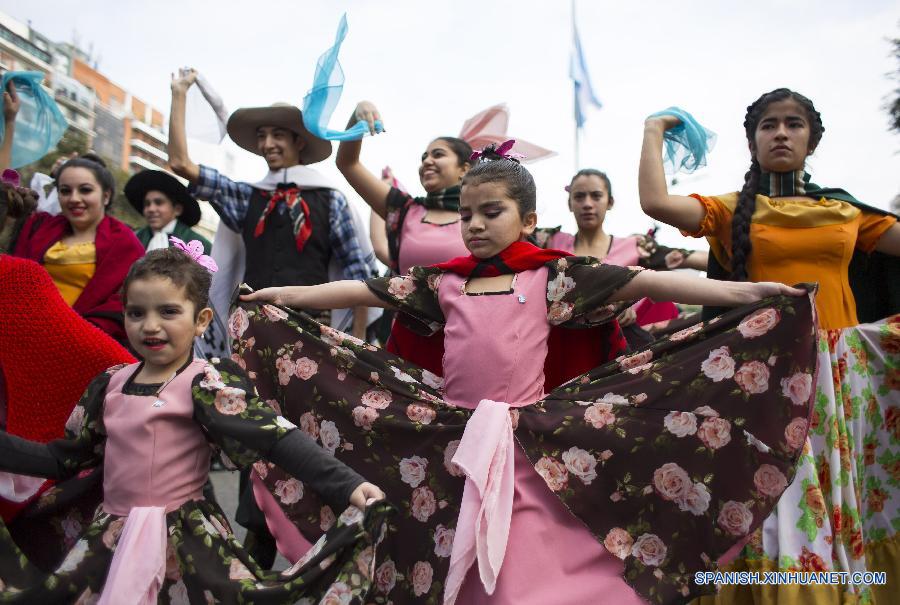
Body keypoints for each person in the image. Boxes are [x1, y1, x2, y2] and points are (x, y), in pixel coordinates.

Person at [242, 145, 817, 604]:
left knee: (525, 564)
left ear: (530, 219)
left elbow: (646, 282)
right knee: (454, 555)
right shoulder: (442, 281)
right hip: (454, 441)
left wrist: (743, 291)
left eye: (492, 213)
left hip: (525, 444)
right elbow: (358, 288)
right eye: (466, 214)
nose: (474, 225)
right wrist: (278, 296)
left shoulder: (554, 275)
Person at [0, 244, 386, 603]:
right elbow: (65, 459)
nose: (150, 326)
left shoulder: (206, 383)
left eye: (168, 312)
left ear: (201, 320)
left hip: (183, 541)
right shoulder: (110, 384)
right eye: (137, 313)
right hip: (111, 539)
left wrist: (347, 486)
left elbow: (274, 437)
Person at [639, 89, 900, 604]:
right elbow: (655, 204)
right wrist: (653, 130)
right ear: (753, 140)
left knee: (832, 485)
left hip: (836, 373)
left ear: (812, 139)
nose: (781, 133)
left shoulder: (846, 212)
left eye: (794, 124)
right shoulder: (729, 210)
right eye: (769, 125)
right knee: (776, 493)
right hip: (759, 377)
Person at [167, 68, 375, 341]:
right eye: (262, 136)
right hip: (253, 327)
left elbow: (358, 276)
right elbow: (181, 164)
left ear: (299, 142)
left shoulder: (331, 199)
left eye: (277, 135)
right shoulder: (246, 197)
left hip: (313, 330)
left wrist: (356, 342)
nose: (267, 144)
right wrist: (179, 94)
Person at [336, 100, 472, 374]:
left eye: (438, 154)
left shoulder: (482, 215)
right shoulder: (405, 209)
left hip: (470, 340)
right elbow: (347, 163)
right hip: (408, 342)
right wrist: (357, 116)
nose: (427, 161)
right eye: (423, 157)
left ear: (465, 169)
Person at [535, 168, 708, 348]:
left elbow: (693, 258)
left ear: (610, 202)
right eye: (579, 197)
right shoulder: (549, 242)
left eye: (596, 196)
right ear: (569, 203)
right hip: (562, 347)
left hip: (619, 349)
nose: (587, 204)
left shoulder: (635, 247)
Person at [12, 156, 144, 344]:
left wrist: (73, 332)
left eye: (85, 190)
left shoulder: (125, 243)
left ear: (106, 195)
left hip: (81, 344)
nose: (74, 199)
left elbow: (125, 303)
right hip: (20, 334)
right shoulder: (38, 226)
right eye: (65, 191)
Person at [125, 169, 211, 254]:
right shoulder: (134, 239)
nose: (151, 209)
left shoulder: (199, 246)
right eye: (147, 204)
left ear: (177, 210)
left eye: (158, 202)